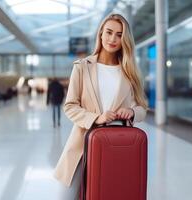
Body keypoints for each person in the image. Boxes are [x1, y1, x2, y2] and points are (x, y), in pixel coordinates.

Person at [53, 13, 148, 199]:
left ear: (125, 39)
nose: (113, 39)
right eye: (109, 32)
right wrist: (97, 118)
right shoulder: (82, 67)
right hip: (82, 144)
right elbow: (70, 106)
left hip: (118, 147)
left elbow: (142, 108)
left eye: (119, 35)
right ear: (101, 34)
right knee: (66, 196)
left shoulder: (129, 72)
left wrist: (131, 111)